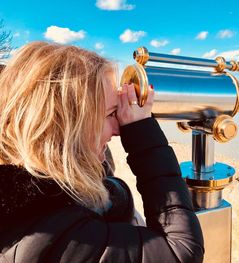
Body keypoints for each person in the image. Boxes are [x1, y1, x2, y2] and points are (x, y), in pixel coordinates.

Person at [0, 41, 204, 262]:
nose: (118, 129)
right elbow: (181, 251)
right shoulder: (59, 234)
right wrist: (142, 132)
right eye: (110, 114)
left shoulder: (33, 202)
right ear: (67, 129)